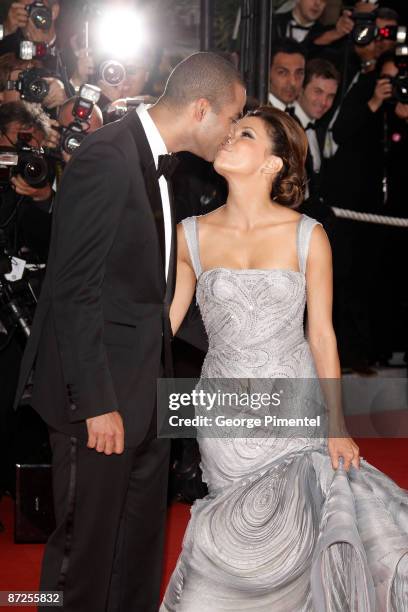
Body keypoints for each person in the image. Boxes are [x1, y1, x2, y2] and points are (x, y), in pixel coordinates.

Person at [13, 51, 245, 612]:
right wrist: (96, 403)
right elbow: (73, 291)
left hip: (144, 397)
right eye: (234, 118)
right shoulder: (107, 158)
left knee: (136, 555)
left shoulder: (161, 164)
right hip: (97, 403)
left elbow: (147, 296)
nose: (234, 133)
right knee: (81, 561)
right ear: (201, 108)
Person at [161, 106, 408, 610]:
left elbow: (321, 335)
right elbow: (163, 328)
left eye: (244, 134)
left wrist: (337, 424)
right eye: (229, 132)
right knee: (233, 535)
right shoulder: (189, 235)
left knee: (297, 532)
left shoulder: (308, 235)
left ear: (273, 164)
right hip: (223, 410)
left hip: (294, 406)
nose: (228, 138)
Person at [268, 38, 306, 112]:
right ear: (267, 72)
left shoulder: (291, 114)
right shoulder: (258, 114)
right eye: (283, 73)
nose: (293, 82)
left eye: (299, 73)